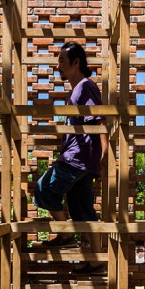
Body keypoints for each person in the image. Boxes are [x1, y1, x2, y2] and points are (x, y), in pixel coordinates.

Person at [33, 42, 108, 275]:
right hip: (82, 160)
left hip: (77, 158)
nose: (58, 66)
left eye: (62, 61)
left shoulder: (85, 87)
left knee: (43, 188)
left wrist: (104, 155)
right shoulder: (77, 89)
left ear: (77, 63)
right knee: (83, 212)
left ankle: (65, 234)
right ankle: (96, 263)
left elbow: (100, 119)